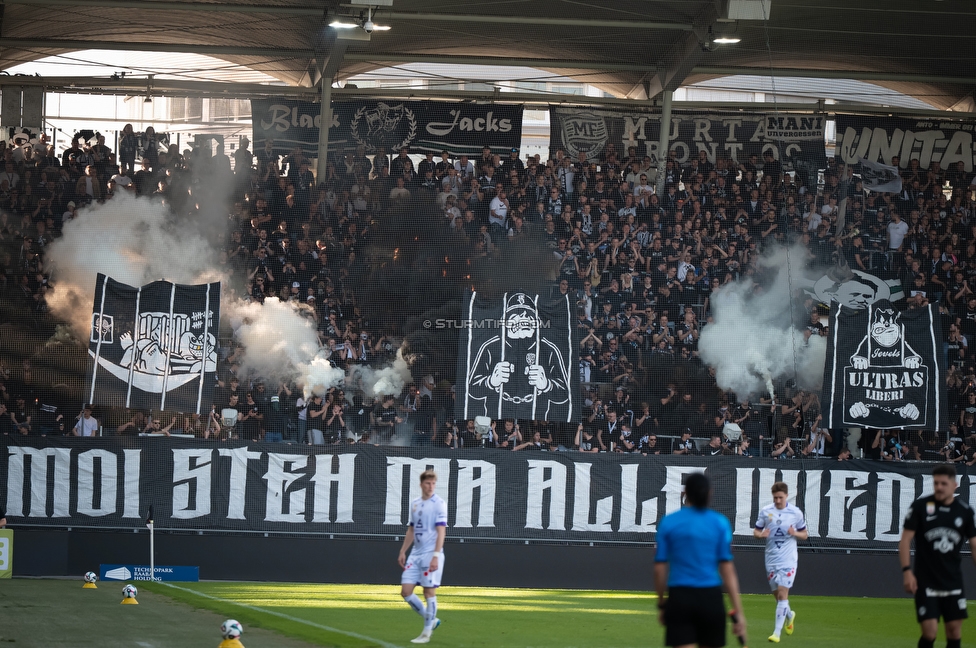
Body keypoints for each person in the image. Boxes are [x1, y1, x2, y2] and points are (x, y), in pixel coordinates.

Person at [655, 472, 747, 647]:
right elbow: (727, 570)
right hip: (710, 597)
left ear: (685, 493)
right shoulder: (720, 523)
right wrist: (739, 612)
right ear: (709, 493)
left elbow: (659, 568)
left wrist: (661, 604)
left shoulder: (669, 522)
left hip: (680, 596)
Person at [900, 464, 976, 648]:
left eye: (943, 483)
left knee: (954, 631)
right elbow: (905, 541)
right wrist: (907, 571)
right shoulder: (920, 507)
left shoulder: (965, 511)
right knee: (930, 632)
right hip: (926, 581)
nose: (939, 487)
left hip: (953, 581)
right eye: (936, 483)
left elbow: (974, 544)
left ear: (954, 485)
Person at [753, 482, 807, 643]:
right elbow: (756, 531)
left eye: (780, 497)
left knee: (783, 594)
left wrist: (794, 532)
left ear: (786, 496)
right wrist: (760, 535)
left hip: (788, 559)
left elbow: (804, 535)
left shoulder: (795, 513)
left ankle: (776, 633)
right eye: (775, 497)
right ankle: (789, 615)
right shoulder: (766, 511)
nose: (777, 500)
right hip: (771, 558)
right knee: (778, 596)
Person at [398, 469, 446, 644]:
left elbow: (441, 531)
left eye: (433, 483)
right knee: (406, 592)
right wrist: (403, 550)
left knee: (428, 592)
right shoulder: (415, 504)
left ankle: (426, 634)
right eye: (428, 483)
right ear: (421, 485)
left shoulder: (439, 504)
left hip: (430, 554)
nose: (431, 486)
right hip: (415, 554)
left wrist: (435, 556)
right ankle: (431, 619)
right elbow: (411, 529)